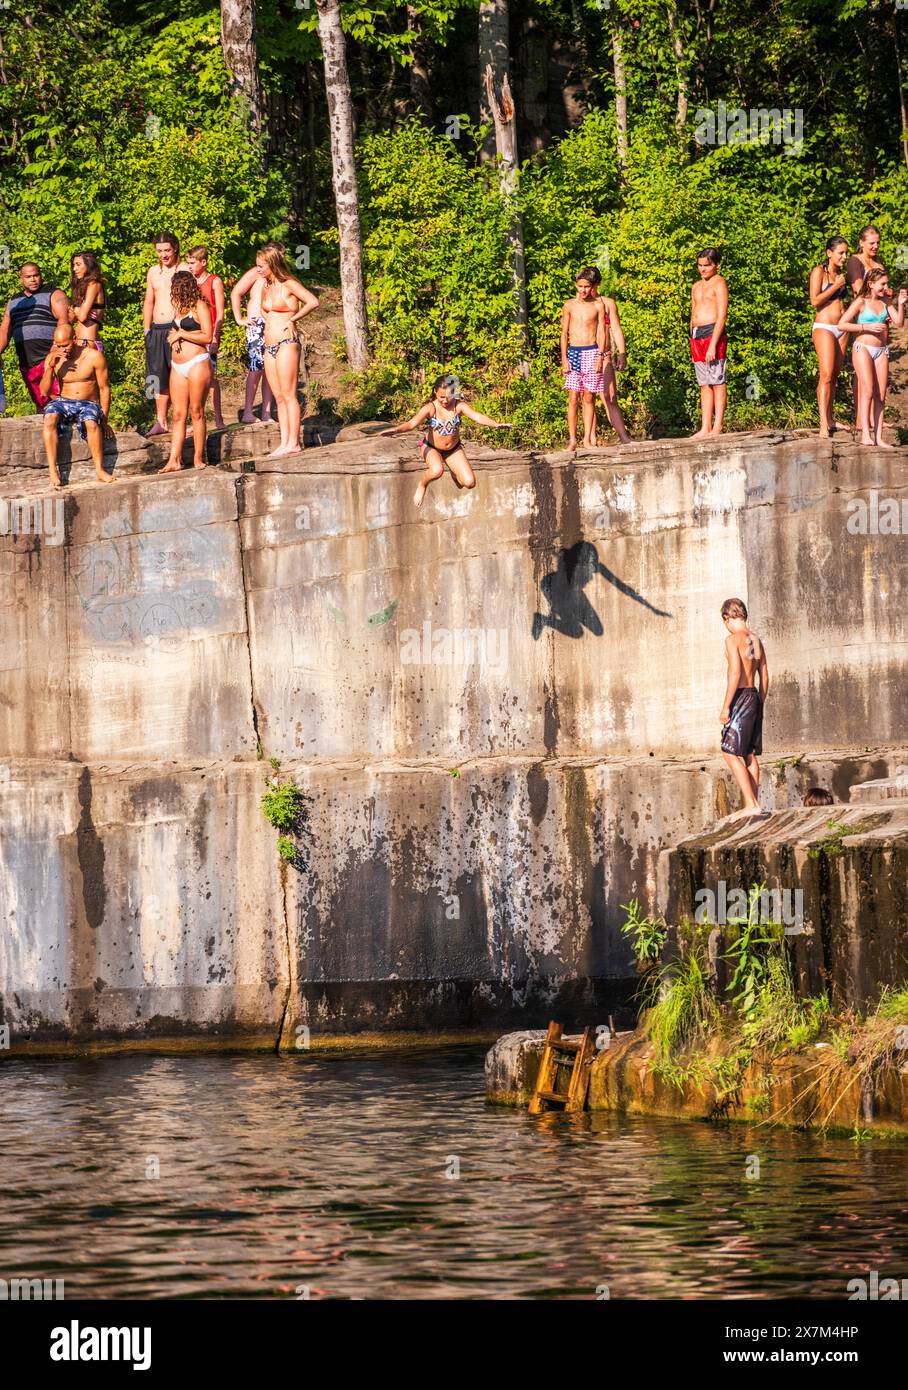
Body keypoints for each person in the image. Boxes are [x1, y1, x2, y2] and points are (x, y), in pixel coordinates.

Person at [378, 374, 512, 508]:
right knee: (437, 470)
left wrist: (495, 424)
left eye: (448, 396)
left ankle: (454, 472)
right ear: (435, 392)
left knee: (469, 483)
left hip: (453, 449)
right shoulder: (430, 408)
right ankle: (422, 485)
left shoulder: (459, 406)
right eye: (441, 396)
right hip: (431, 447)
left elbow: (477, 416)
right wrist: (396, 430)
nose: (445, 400)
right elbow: (412, 423)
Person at [257, 244, 319, 457]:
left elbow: (313, 301)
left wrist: (292, 319)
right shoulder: (266, 286)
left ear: (272, 264)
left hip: (286, 343)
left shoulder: (289, 284)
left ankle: (294, 441)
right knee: (278, 396)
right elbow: (266, 313)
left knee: (289, 394)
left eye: (261, 266)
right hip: (269, 345)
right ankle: (284, 441)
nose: (258, 270)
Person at [836, 269, 907, 447]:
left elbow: (898, 322)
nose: (886, 287)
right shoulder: (861, 302)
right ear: (871, 284)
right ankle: (865, 435)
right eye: (882, 284)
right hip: (863, 349)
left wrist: (900, 304)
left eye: (887, 283)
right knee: (867, 390)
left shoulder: (885, 302)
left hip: (881, 351)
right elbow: (842, 324)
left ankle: (879, 438)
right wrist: (865, 326)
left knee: (880, 395)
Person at [39, 322, 112, 488]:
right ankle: (52, 471)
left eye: (65, 345)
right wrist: (51, 367)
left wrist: (105, 419)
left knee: (92, 423)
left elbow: (104, 389)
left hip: (88, 402)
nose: (62, 349)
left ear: (75, 339)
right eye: (58, 345)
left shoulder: (93, 356)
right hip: (64, 400)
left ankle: (100, 470)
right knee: (49, 417)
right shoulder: (53, 357)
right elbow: (44, 391)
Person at [719, 597, 769, 823]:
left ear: (727, 618)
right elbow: (765, 674)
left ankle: (750, 804)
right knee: (748, 753)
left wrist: (726, 706)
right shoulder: (756, 640)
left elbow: (735, 673)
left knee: (729, 752)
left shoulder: (732, 639)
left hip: (740, 697)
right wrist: (761, 700)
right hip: (755, 696)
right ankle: (754, 803)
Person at [159, 271, 214, 474]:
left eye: (180, 289)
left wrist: (182, 333)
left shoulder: (200, 305)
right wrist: (172, 336)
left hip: (197, 362)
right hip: (178, 366)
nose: (177, 293)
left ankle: (199, 457)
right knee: (178, 414)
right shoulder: (178, 308)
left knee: (196, 411)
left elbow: (208, 336)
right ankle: (174, 459)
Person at [0, 263, 69, 409]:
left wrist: (55, 352)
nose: (33, 279)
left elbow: (64, 324)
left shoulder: (55, 294)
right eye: (28, 277)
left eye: (35, 275)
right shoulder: (14, 301)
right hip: (27, 362)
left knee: (58, 403)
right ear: (21, 279)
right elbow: (4, 331)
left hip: (49, 359)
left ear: (40, 275)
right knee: (40, 404)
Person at [142, 232, 190, 437]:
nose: (163, 254)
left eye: (167, 250)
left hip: (177, 327)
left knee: (179, 374)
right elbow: (149, 301)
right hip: (156, 328)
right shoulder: (153, 271)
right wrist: (146, 329)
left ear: (175, 248)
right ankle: (160, 420)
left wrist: (182, 329)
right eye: (159, 251)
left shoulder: (185, 269)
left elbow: (191, 298)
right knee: (155, 376)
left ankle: (183, 418)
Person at [560, 269, 606, 449]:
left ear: (593, 286)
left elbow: (602, 330)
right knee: (573, 397)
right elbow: (564, 333)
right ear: (576, 285)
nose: (583, 290)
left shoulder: (598, 305)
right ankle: (572, 440)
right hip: (574, 352)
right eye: (580, 286)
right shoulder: (569, 306)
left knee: (588, 397)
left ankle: (587, 438)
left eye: (587, 287)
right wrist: (564, 358)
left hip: (592, 351)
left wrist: (600, 356)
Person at [809, 237, 849, 438]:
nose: (844, 256)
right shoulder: (819, 271)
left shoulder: (842, 274)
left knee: (834, 376)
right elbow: (814, 300)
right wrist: (835, 286)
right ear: (829, 253)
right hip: (824, 326)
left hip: (842, 328)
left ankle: (831, 418)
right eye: (840, 253)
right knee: (825, 375)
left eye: (846, 253)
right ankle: (823, 423)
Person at [230, 253, 276, 425]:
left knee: (269, 369)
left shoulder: (278, 275)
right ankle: (248, 411)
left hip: (272, 323)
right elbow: (236, 293)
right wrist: (239, 318)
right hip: (255, 323)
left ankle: (266, 412)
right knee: (256, 368)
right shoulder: (256, 273)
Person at [588, 268, 631, 446]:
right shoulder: (579, 304)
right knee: (587, 397)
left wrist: (622, 353)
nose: (586, 290)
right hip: (587, 354)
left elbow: (616, 328)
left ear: (597, 285)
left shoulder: (607, 303)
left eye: (590, 286)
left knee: (609, 396)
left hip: (604, 355)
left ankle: (624, 437)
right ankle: (589, 439)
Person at [186, 245, 226, 431]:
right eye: (188, 263)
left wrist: (215, 337)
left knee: (210, 379)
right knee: (192, 379)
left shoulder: (214, 281)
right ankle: (196, 418)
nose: (190, 266)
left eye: (192, 263)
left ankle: (218, 419)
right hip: (192, 336)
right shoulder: (188, 281)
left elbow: (220, 313)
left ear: (204, 262)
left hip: (209, 335)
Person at [690, 249, 728, 437]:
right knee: (704, 383)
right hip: (697, 335)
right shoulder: (696, 286)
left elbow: (722, 315)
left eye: (707, 265)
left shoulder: (719, 282)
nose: (702, 269)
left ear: (716, 265)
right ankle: (705, 427)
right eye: (700, 265)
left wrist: (714, 343)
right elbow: (693, 311)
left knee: (717, 380)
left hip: (713, 333)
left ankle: (717, 426)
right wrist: (691, 335)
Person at [69, 251, 107, 351]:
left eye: (78, 264)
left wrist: (76, 309)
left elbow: (81, 317)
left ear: (89, 264)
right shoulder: (81, 287)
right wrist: (77, 309)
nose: (74, 269)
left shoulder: (94, 284)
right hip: (80, 341)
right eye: (73, 265)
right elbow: (70, 319)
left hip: (87, 342)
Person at [846, 225, 884, 296]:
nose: (876, 246)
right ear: (861, 243)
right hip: (864, 304)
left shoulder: (879, 260)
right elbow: (859, 290)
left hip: (881, 304)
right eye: (872, 243)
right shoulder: (854, 261)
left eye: (878, 242)